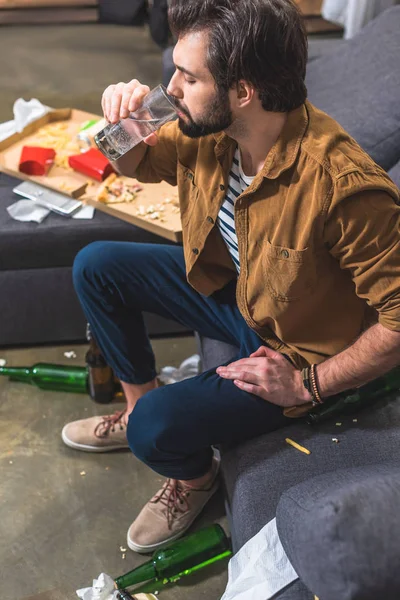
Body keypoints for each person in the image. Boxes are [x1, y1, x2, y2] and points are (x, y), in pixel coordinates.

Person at [62, 0, 400, 554]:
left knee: (156, 429)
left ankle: (194, 477)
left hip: (293, 351)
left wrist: (308, 384)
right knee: (97, 265)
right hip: (239, 296)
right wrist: (119, 124)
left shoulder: (344, 186)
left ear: (242, 91)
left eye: (188, 76)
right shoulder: (207, 124)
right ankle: (134, 402)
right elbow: (135, 163)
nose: (170, 87)